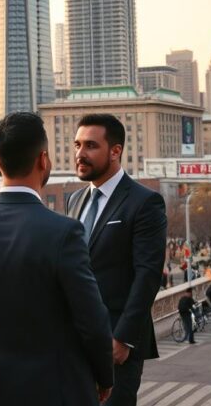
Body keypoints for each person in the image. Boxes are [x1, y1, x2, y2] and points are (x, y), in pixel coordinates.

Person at [0, 112, 113, 405]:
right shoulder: (65, 232)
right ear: (43, 160)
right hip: (57, 386)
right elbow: (92, 319)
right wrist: (104, 376)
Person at [65, 114, 168, 405]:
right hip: (74, 342)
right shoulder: (74, 200)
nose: (79, 154)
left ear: (115, 151)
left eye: (90, 146)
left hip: (116, 345)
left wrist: (124, 338)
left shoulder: (144, 201)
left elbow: (147, 274)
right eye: (77, 145)